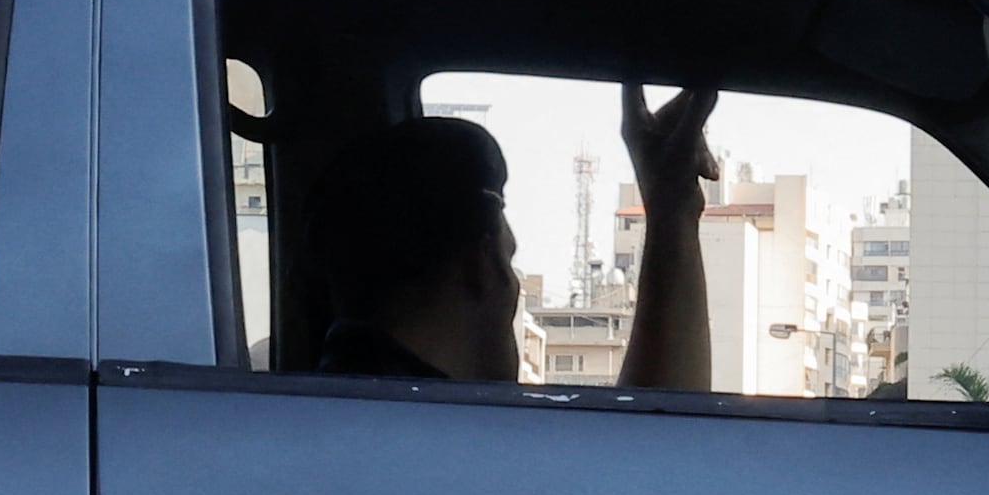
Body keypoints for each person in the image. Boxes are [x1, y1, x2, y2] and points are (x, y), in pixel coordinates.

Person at [294, 83, 717, 389]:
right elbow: (642, 455)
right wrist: (671, 210)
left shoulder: (301, 415)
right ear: (485, 263)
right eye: (509, 258)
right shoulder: (480, 445)